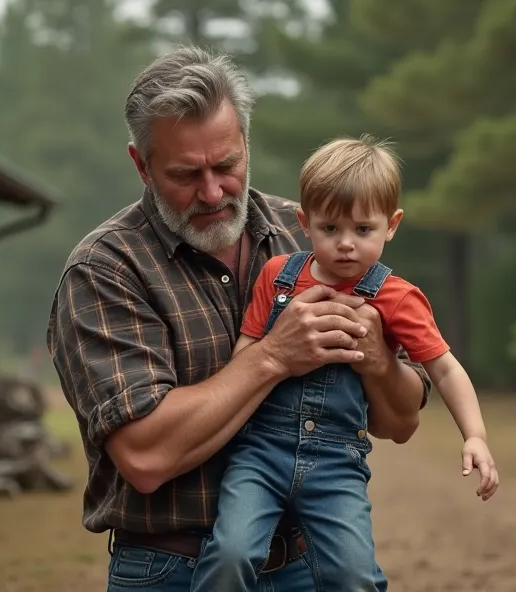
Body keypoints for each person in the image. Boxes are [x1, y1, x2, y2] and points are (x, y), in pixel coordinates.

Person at [47, 46, 443, 591]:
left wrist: (377, 359)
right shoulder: (105, 272)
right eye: (187, 174)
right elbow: (146, 455)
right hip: (172, 572)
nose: (212, 192)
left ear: (246, 144)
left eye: (227, 165)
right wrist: (275, 356)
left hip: (312, 566)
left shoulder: (312, 233)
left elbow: (399, 424)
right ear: (141, 164)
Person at [188, 136, 500, 592]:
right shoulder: (278, 276)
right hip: (259, 454)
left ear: (391, 225)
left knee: (352, 574)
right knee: (231, 554)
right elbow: (245, 356)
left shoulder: (398, 298)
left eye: (363, 230)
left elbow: (445, 368)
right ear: (304, 222)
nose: (346, 245)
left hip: (336, 462)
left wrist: (475, 435)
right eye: (330, 229)